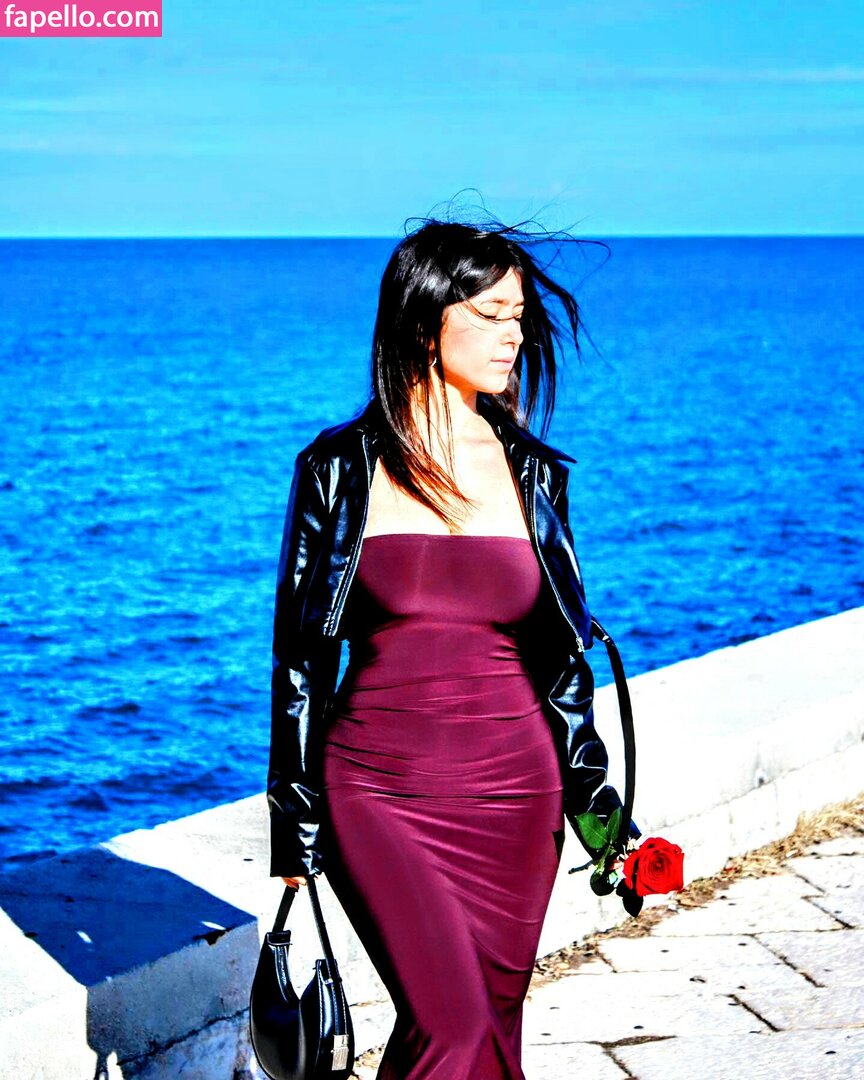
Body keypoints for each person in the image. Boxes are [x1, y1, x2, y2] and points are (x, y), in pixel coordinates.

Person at [266, 216, 640, 1080]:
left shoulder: (535, 473)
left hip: (517, 799)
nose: (514, 334)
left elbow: (562, 667)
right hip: (376, 791)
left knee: (490, 1040)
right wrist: (295, 823)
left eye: (520, 317)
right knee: (454, 1029)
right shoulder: (339, 467)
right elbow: (299, 660)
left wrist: (602, 818)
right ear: (426, 318)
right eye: (491, 314)